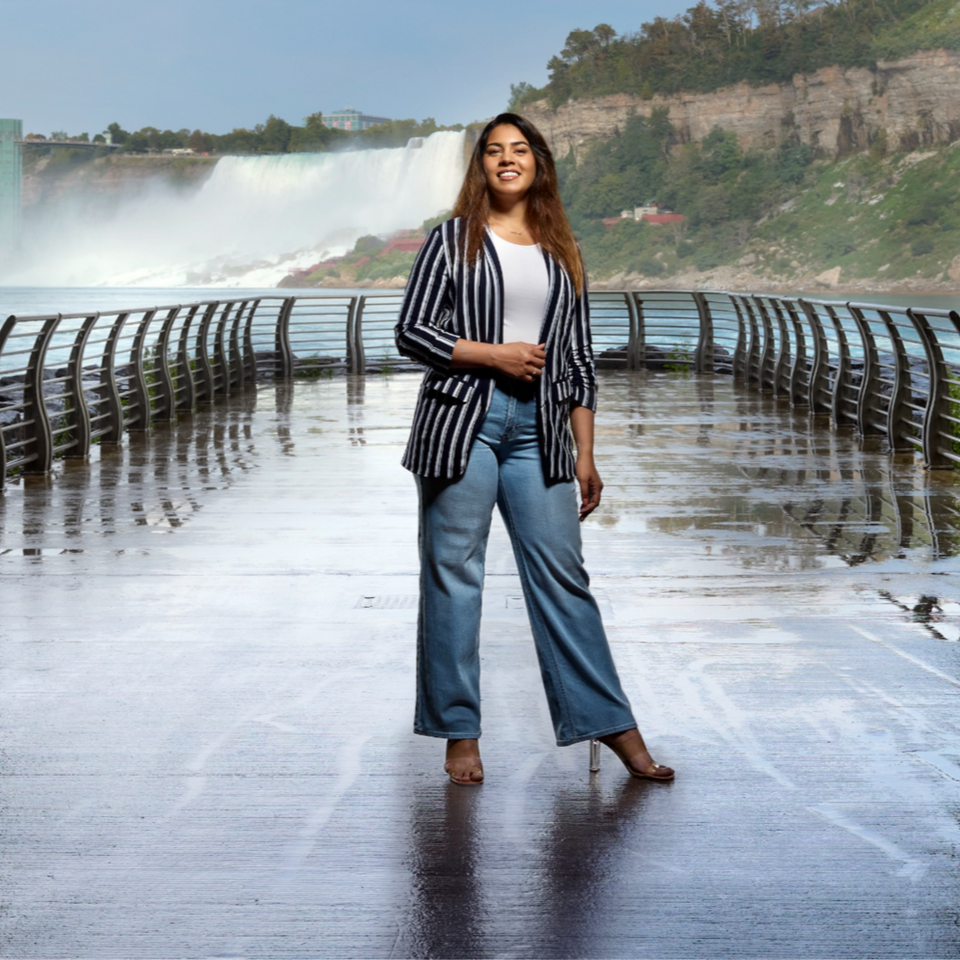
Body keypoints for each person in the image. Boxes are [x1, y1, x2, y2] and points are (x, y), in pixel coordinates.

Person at [394, 113, 674, 787]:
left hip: (542, 430)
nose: (506, 159)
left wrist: (586, 453)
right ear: (481, 166)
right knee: (454, 578)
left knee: (563, 578)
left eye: (518, 149)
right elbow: (413, 332)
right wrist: (495, 354)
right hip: (464, 420)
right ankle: (459, 732)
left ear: (538, 163)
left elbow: (577, 357)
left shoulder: (563, 249)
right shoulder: (451, 241)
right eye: (494, 151)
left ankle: (609, 722)